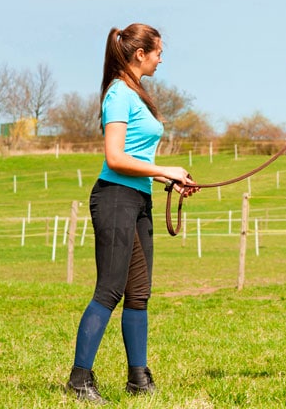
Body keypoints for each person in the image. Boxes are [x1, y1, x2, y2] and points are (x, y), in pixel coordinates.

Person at [65, 23, 198, 403]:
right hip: (114, 199)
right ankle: (79, 379)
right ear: (140, 54)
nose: (161, 58)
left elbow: (135, 161)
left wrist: (167, 181)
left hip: (138, 198)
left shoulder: (137, 93)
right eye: (157, 52)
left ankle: (138, 378)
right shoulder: (119, 94)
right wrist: (164, 170)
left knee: (139, 293)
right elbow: (115, 158)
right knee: (110, 289)